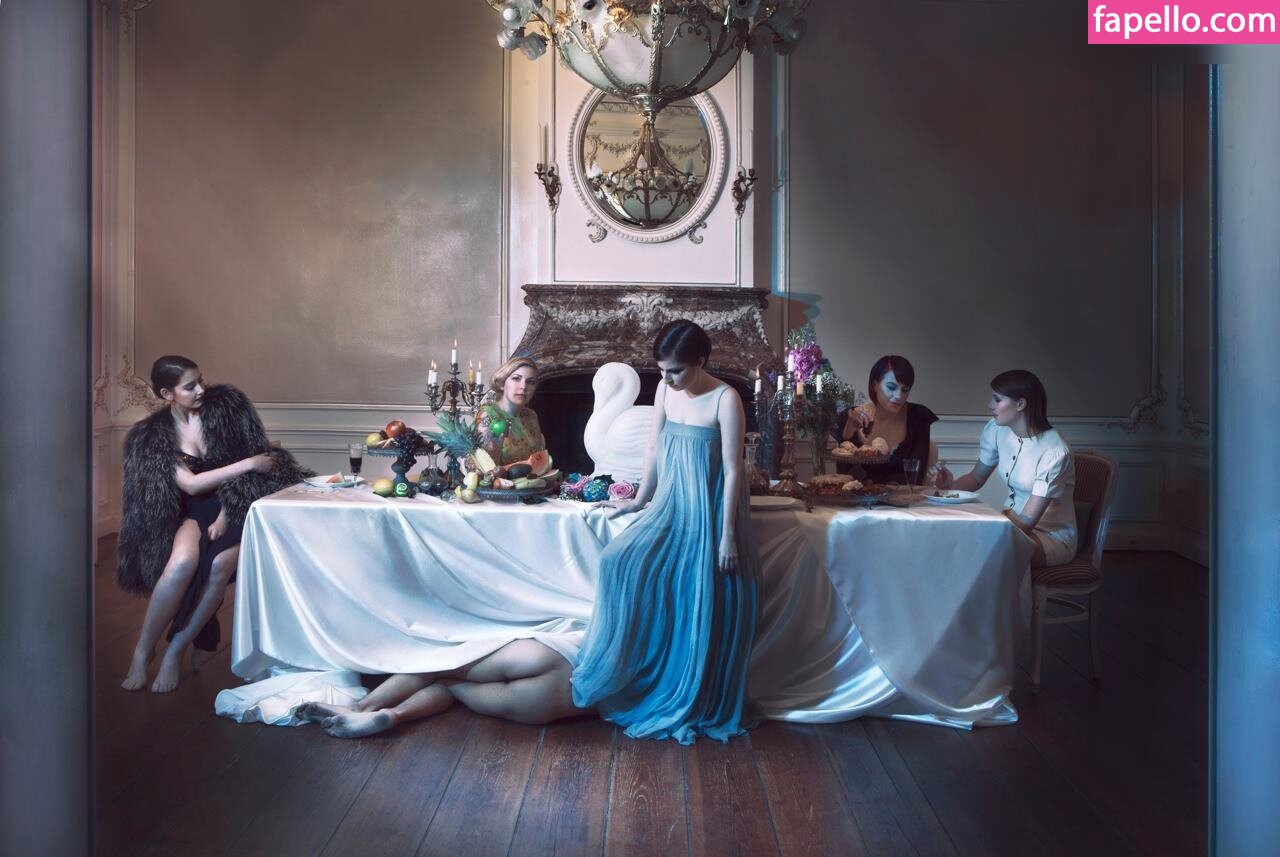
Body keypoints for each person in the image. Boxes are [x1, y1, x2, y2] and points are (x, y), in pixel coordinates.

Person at [571, 319, 760, 744]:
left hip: (710, 510)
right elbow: (654, 447)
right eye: (662, 370)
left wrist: (727, 535)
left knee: (700, 589)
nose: (668, 379)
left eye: (676, 370)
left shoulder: (725, 398)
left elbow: (734, 471)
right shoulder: (664, 390)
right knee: (617, 561)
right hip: (672, 501)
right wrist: (640, 499)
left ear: (701, 362)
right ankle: (635, 670)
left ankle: (691, 687)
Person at [117, 355, 311, 693]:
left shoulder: (228, 409)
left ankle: (176, 648)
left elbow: (260, 467)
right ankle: (142, 651)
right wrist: (248, 463)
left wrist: (226, 514)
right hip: (194, 509)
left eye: (201, 380)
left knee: (220, 565)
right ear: (167, 394)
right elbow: (192, 486)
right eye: (190, 386)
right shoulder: (152, 436)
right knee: (181, 564)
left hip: (241, 504)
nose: (201, 390)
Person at [296, 639, 586, 738]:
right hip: (552, 703)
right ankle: (395, 715)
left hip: (556, 658)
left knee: (440, 666)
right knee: (451, 687)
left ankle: (361, 707)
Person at [936, 369, 1076, 566]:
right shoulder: (997, 430)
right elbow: (976, 478)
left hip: (1049, 536)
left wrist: (985, 528)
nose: (990, 405)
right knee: (955, 538)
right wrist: (949, 486)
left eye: (997, 399)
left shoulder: (1054, 451)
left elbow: (1026, 524)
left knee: (981, 549)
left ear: (1020, 404)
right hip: (1011, 527)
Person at [831, 354, 938, 483]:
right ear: (874, 385)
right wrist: (848, 434)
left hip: (905, 495)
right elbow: (844, 477)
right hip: (861, 495)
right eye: (891, 387)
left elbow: (916, 477)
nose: (899, 396)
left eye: (905, 389)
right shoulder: (851, 417)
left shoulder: (918, 416)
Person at [476, 356, 546, 466]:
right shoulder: (487, 415)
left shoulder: (531, 416)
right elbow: (483, 466)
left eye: (530, 382)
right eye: (516, 379)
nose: (523, 387)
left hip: (533, 476)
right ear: (502, 383)